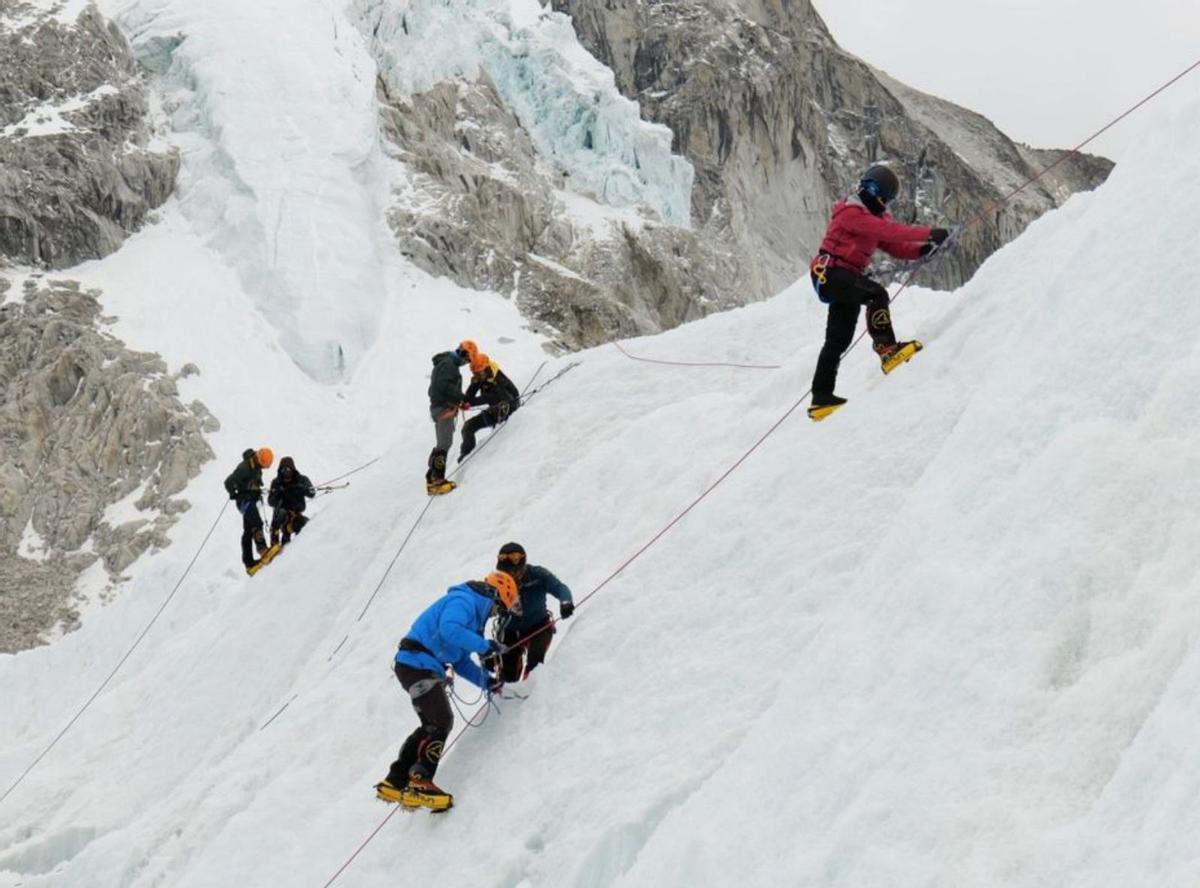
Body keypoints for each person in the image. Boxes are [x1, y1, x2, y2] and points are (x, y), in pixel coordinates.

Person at [807, 164, 949, 421]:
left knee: (838, 340)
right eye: (880, 196)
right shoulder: (852, 213)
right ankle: (887, 350)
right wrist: (930, 233)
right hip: (832, 272)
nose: (881, 202)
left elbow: (894, 245)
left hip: (843, 277)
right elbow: (889, 232)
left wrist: (921, 250)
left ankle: (821, 398)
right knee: (876, 294)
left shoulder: (873, 217)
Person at [375, 571, 520, 810]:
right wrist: (484, 646)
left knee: (431, 724)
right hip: (417, 663)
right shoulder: (464, 601)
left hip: (415, 665)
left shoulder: (473, 621)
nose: (496, 614)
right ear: (496, 597)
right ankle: (420, 781)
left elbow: (461, 661)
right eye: (498, 608)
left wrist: (488, 682)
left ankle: (396, 780)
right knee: (442, 721)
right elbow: (448, 629)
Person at [494, 542, 573, 683]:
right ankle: (506, 698)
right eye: (506, 573)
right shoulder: (497, 582)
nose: (511, 576)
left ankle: (531, 694)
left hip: (538, 627)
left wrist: (566, 601)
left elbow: (559, 588)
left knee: (535, 663)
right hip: (510, 630)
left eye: (515, 572)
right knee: (508, 674)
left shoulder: (538, 575)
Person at [425, 341, 472, 495]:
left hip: (440, 406)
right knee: (445, 443)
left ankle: (431, 476)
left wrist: (458, 401)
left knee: (441, 443)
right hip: (443, 407)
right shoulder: (449, 365)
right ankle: (437, 480)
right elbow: (445, 386)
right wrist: (462, 399)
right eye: (468, 359)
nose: (466, 363)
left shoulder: (446, 363)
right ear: (463, 354)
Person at [457, 350, 521, 462]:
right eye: (474, 373)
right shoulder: (481, 376)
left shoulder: (498, 379)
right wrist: (463, 400)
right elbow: (469, 397)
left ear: (486, 369)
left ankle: (499, 438)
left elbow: (489, 397)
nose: (476, 375)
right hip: (495, 410)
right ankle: (466, 453)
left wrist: (470, 403)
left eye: (478, 373)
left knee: (499, 409)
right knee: (468, 427)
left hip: (509, 408)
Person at [224, 447, 274, 573]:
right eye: (263, 465)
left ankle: (249, 564)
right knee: (257, 523)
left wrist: (256, 492)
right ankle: (263, 550)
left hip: (249, 499)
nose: (263, 468)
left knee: (248, 531)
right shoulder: (244, 468)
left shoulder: (256, 467)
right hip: (244, 501)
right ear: (259, 459)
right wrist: (233, 493)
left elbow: (253, 483)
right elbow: (228, 482)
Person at [267, 456, 315, 547]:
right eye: (283, 469)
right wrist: (277, 493)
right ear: (280, 471)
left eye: (288, 469)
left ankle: (300, 547)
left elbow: (312, 493)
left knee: (307, 525)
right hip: (281, 516)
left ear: (293, 469)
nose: (285, 471)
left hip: (296, 515)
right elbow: (270, 501)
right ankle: (274, 544)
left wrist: (302, 488)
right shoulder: (276, 482)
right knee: (280, 513)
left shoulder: (302, 479)